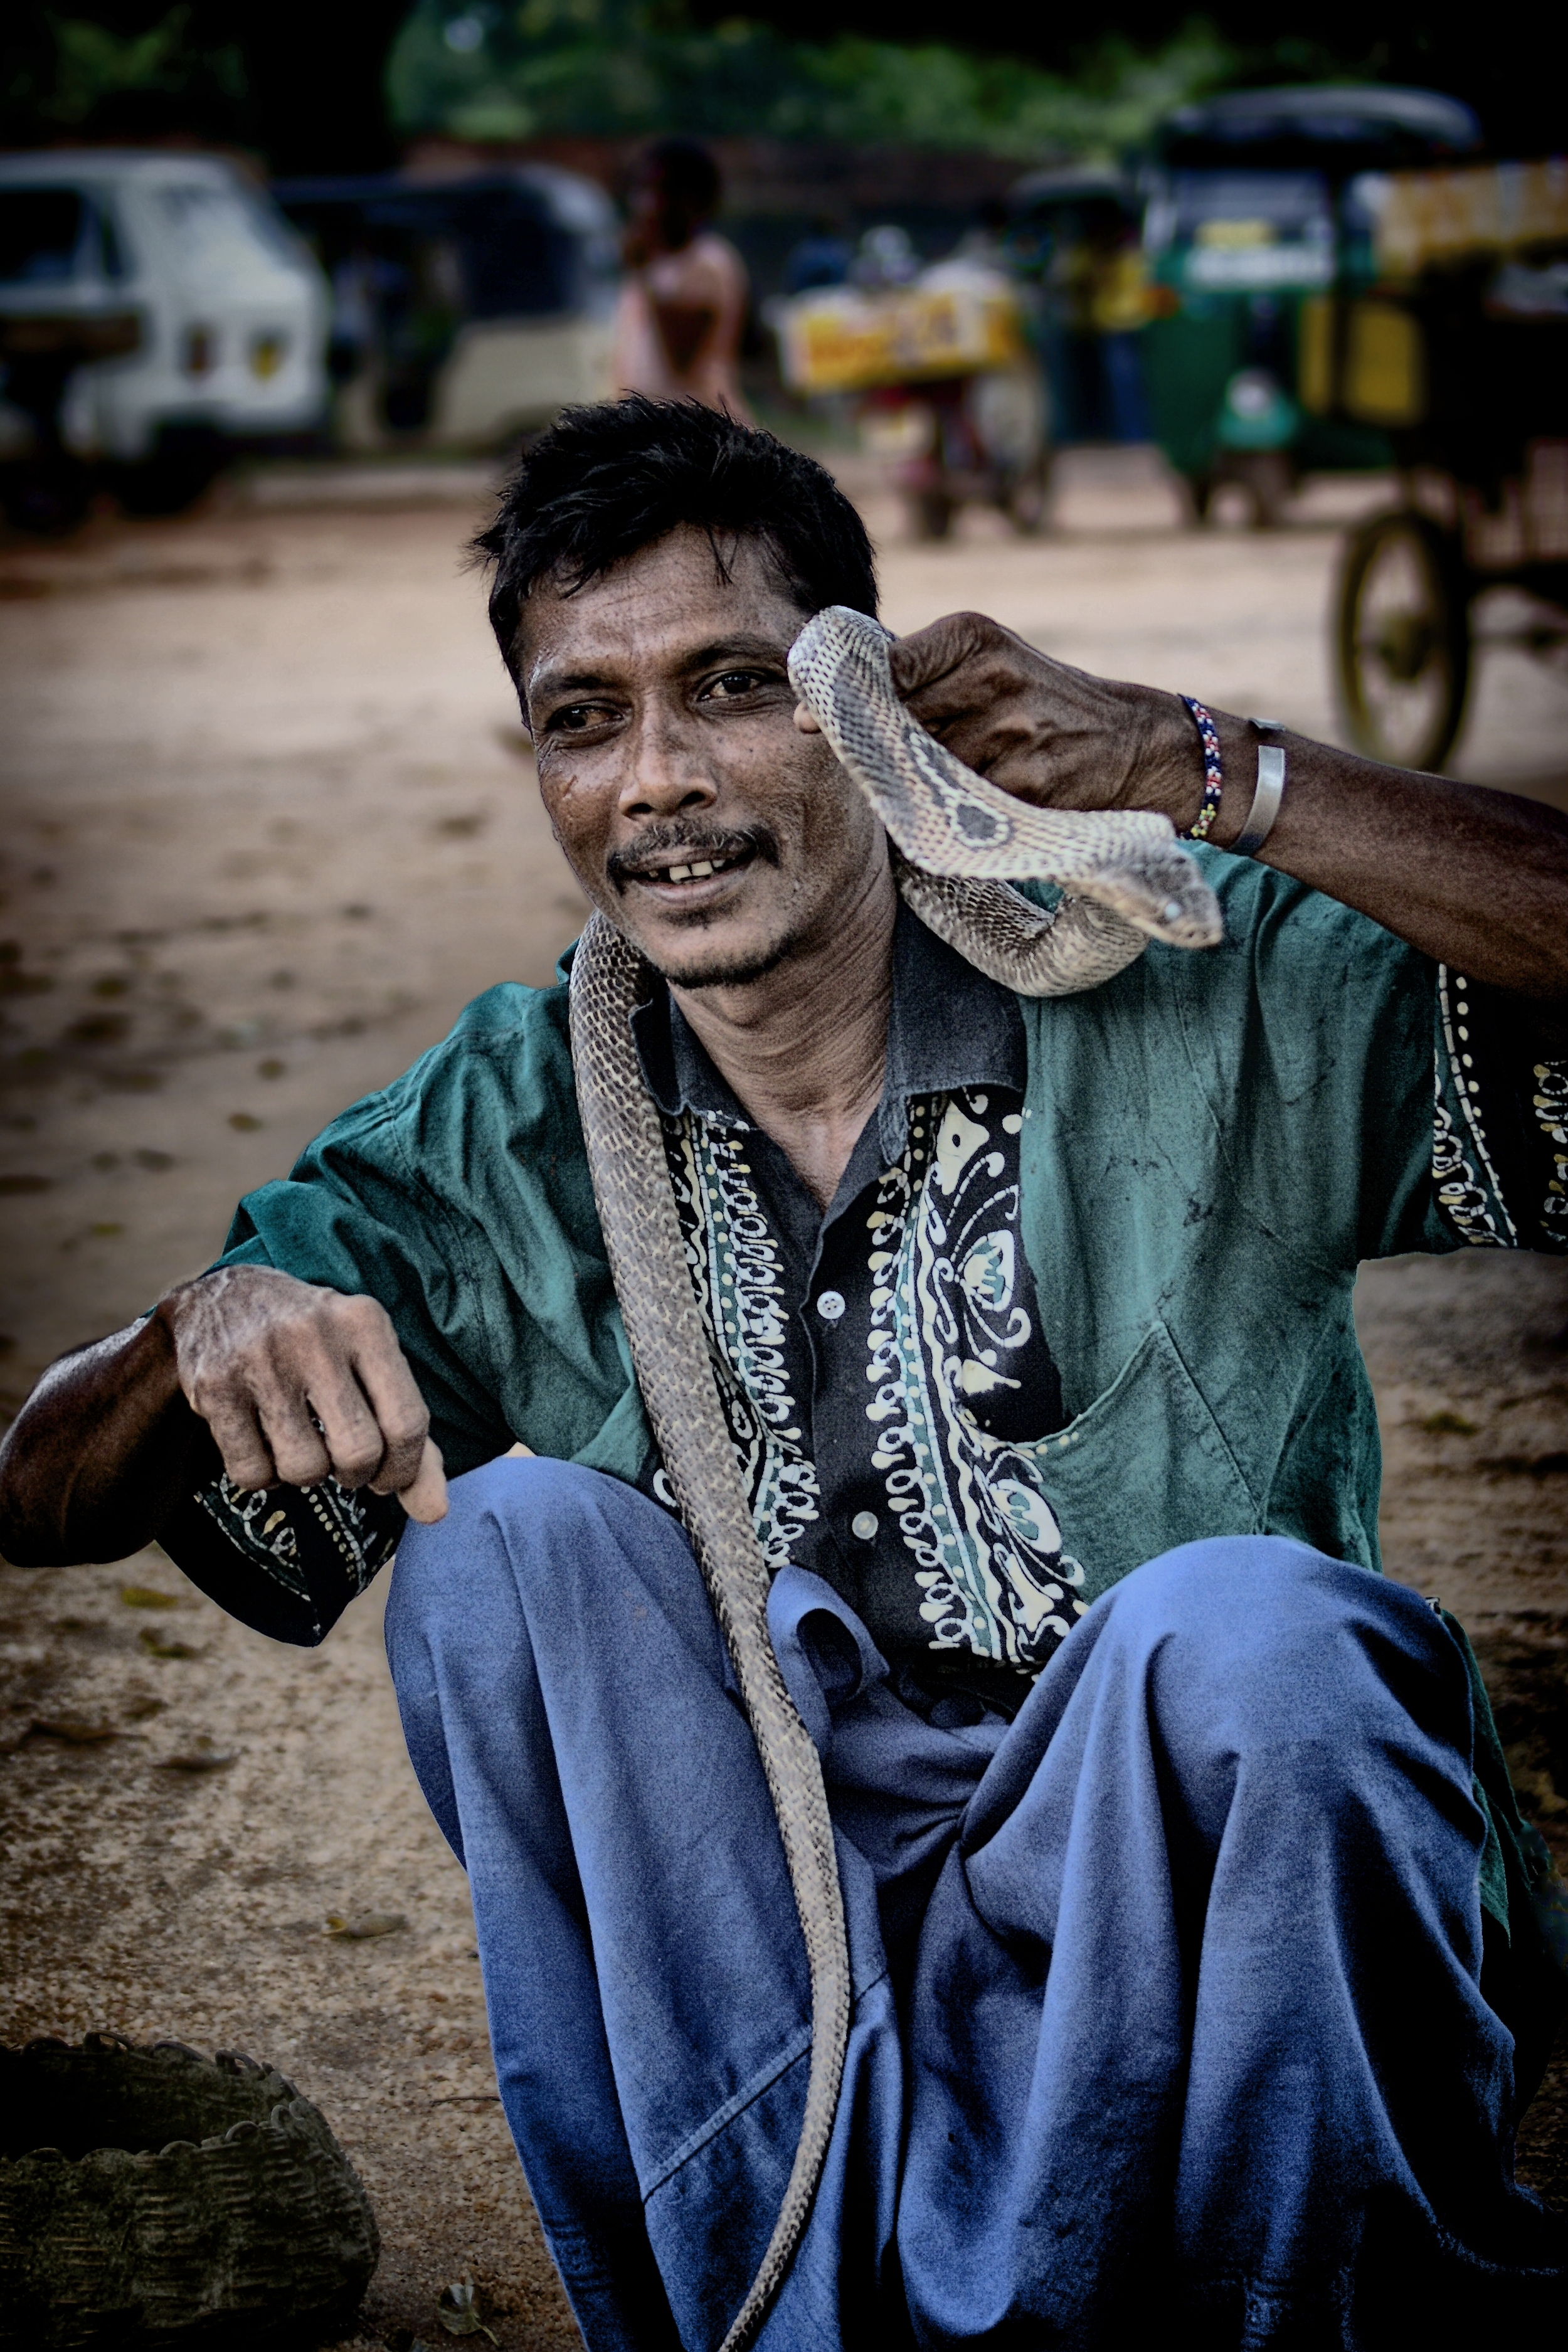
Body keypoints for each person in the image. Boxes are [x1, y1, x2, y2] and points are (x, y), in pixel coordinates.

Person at [2, 396, 1565, 2350]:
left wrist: (1215, 767)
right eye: (584, 717)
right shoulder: (507, 1122)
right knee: (502, 1551)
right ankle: (775, 2307)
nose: (656, 781)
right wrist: (196, 1321)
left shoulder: (1169, 970)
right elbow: (40, 1490)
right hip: (774, 1992)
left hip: (1193, 1953)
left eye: (731, 686)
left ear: (869, 703)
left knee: (1256, 1640)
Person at [611, 138, 750, 418]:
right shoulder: (657, 265)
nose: (646, 204)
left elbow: (681, 363)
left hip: (697, 433)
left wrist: (642, 271)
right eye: (643, 190)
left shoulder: (707, 263)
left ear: (693, 200)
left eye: (659, 191)